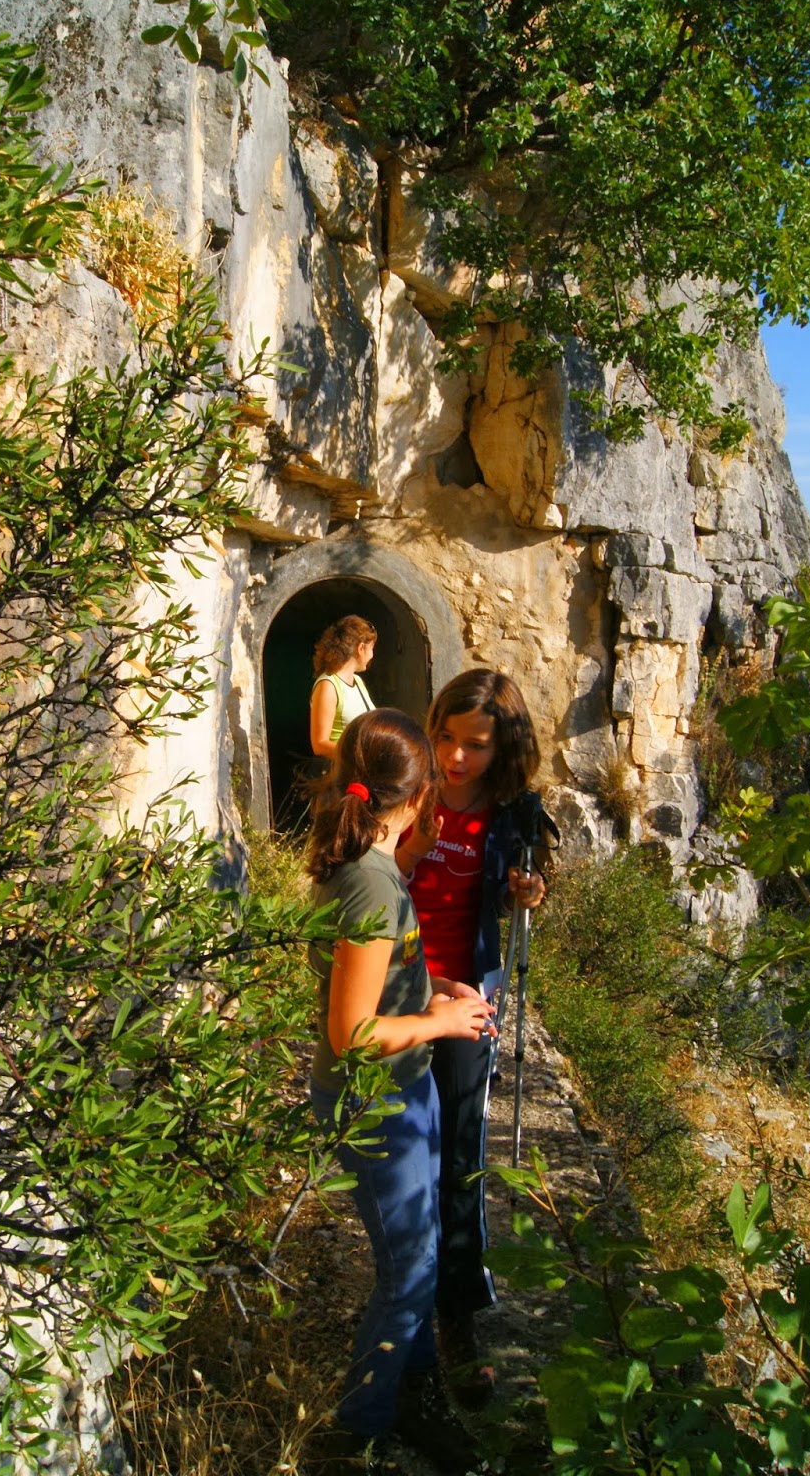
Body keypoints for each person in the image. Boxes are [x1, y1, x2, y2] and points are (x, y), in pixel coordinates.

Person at [306, 708, 490, 1476]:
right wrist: (440, 1023)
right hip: (374, 1100)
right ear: (417, 801)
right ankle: (360, 1427)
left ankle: (414, 1396)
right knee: (409, 1267)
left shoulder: (369, 868)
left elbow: (377, 982)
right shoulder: (372, 887)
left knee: (412, 1260)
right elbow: (350, 1033)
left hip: (403, 1091)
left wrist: (429, 985)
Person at [395, 670, 546, 1406]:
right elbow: (364, 879)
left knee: (459, 1155)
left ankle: (457, 1320)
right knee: (399, 1156)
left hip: (469, 997)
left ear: (504, 744)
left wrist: (525, 891)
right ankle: (403, 1317)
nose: (455, 757)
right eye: (447, 738)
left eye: (475, 745)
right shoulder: (407, 789)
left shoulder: (512, 811)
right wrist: (410, 846)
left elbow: (520, 881)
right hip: (399, 989)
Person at [309, 615, 377, 760]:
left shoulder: (357, 681)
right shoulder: (328, 685)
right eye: (371, 649)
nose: (372, 655)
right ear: (360, 648)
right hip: (341, 773)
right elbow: (319, 744)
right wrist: (361, 755)